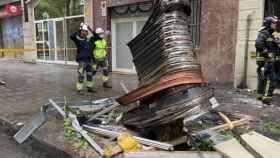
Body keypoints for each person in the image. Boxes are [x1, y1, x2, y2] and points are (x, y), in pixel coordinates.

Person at [70, 23, 100, 94]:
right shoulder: (78, 39)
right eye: (84, 31)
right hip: (82, 61)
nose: (85, 32)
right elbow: (72, 36)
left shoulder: (90, 40)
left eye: (86, 31)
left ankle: (90, 88)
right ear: (81, 31)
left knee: (90, 75)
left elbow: (98, 38)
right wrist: (79, 29)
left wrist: (90, 29)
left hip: (89, 61)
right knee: (81, 75)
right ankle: (79, 90)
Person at [255, 16, 279, 104]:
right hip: (266, 61)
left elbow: (271, 46)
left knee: (263, 79)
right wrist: (267, 54)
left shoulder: (269, 34)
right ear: (268, 23)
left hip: (267, 62)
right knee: (271, 79)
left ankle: (260, 97)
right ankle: (266, 99)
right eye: (274, 23)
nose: (275, 25)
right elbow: (258, 44)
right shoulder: (264, 33)